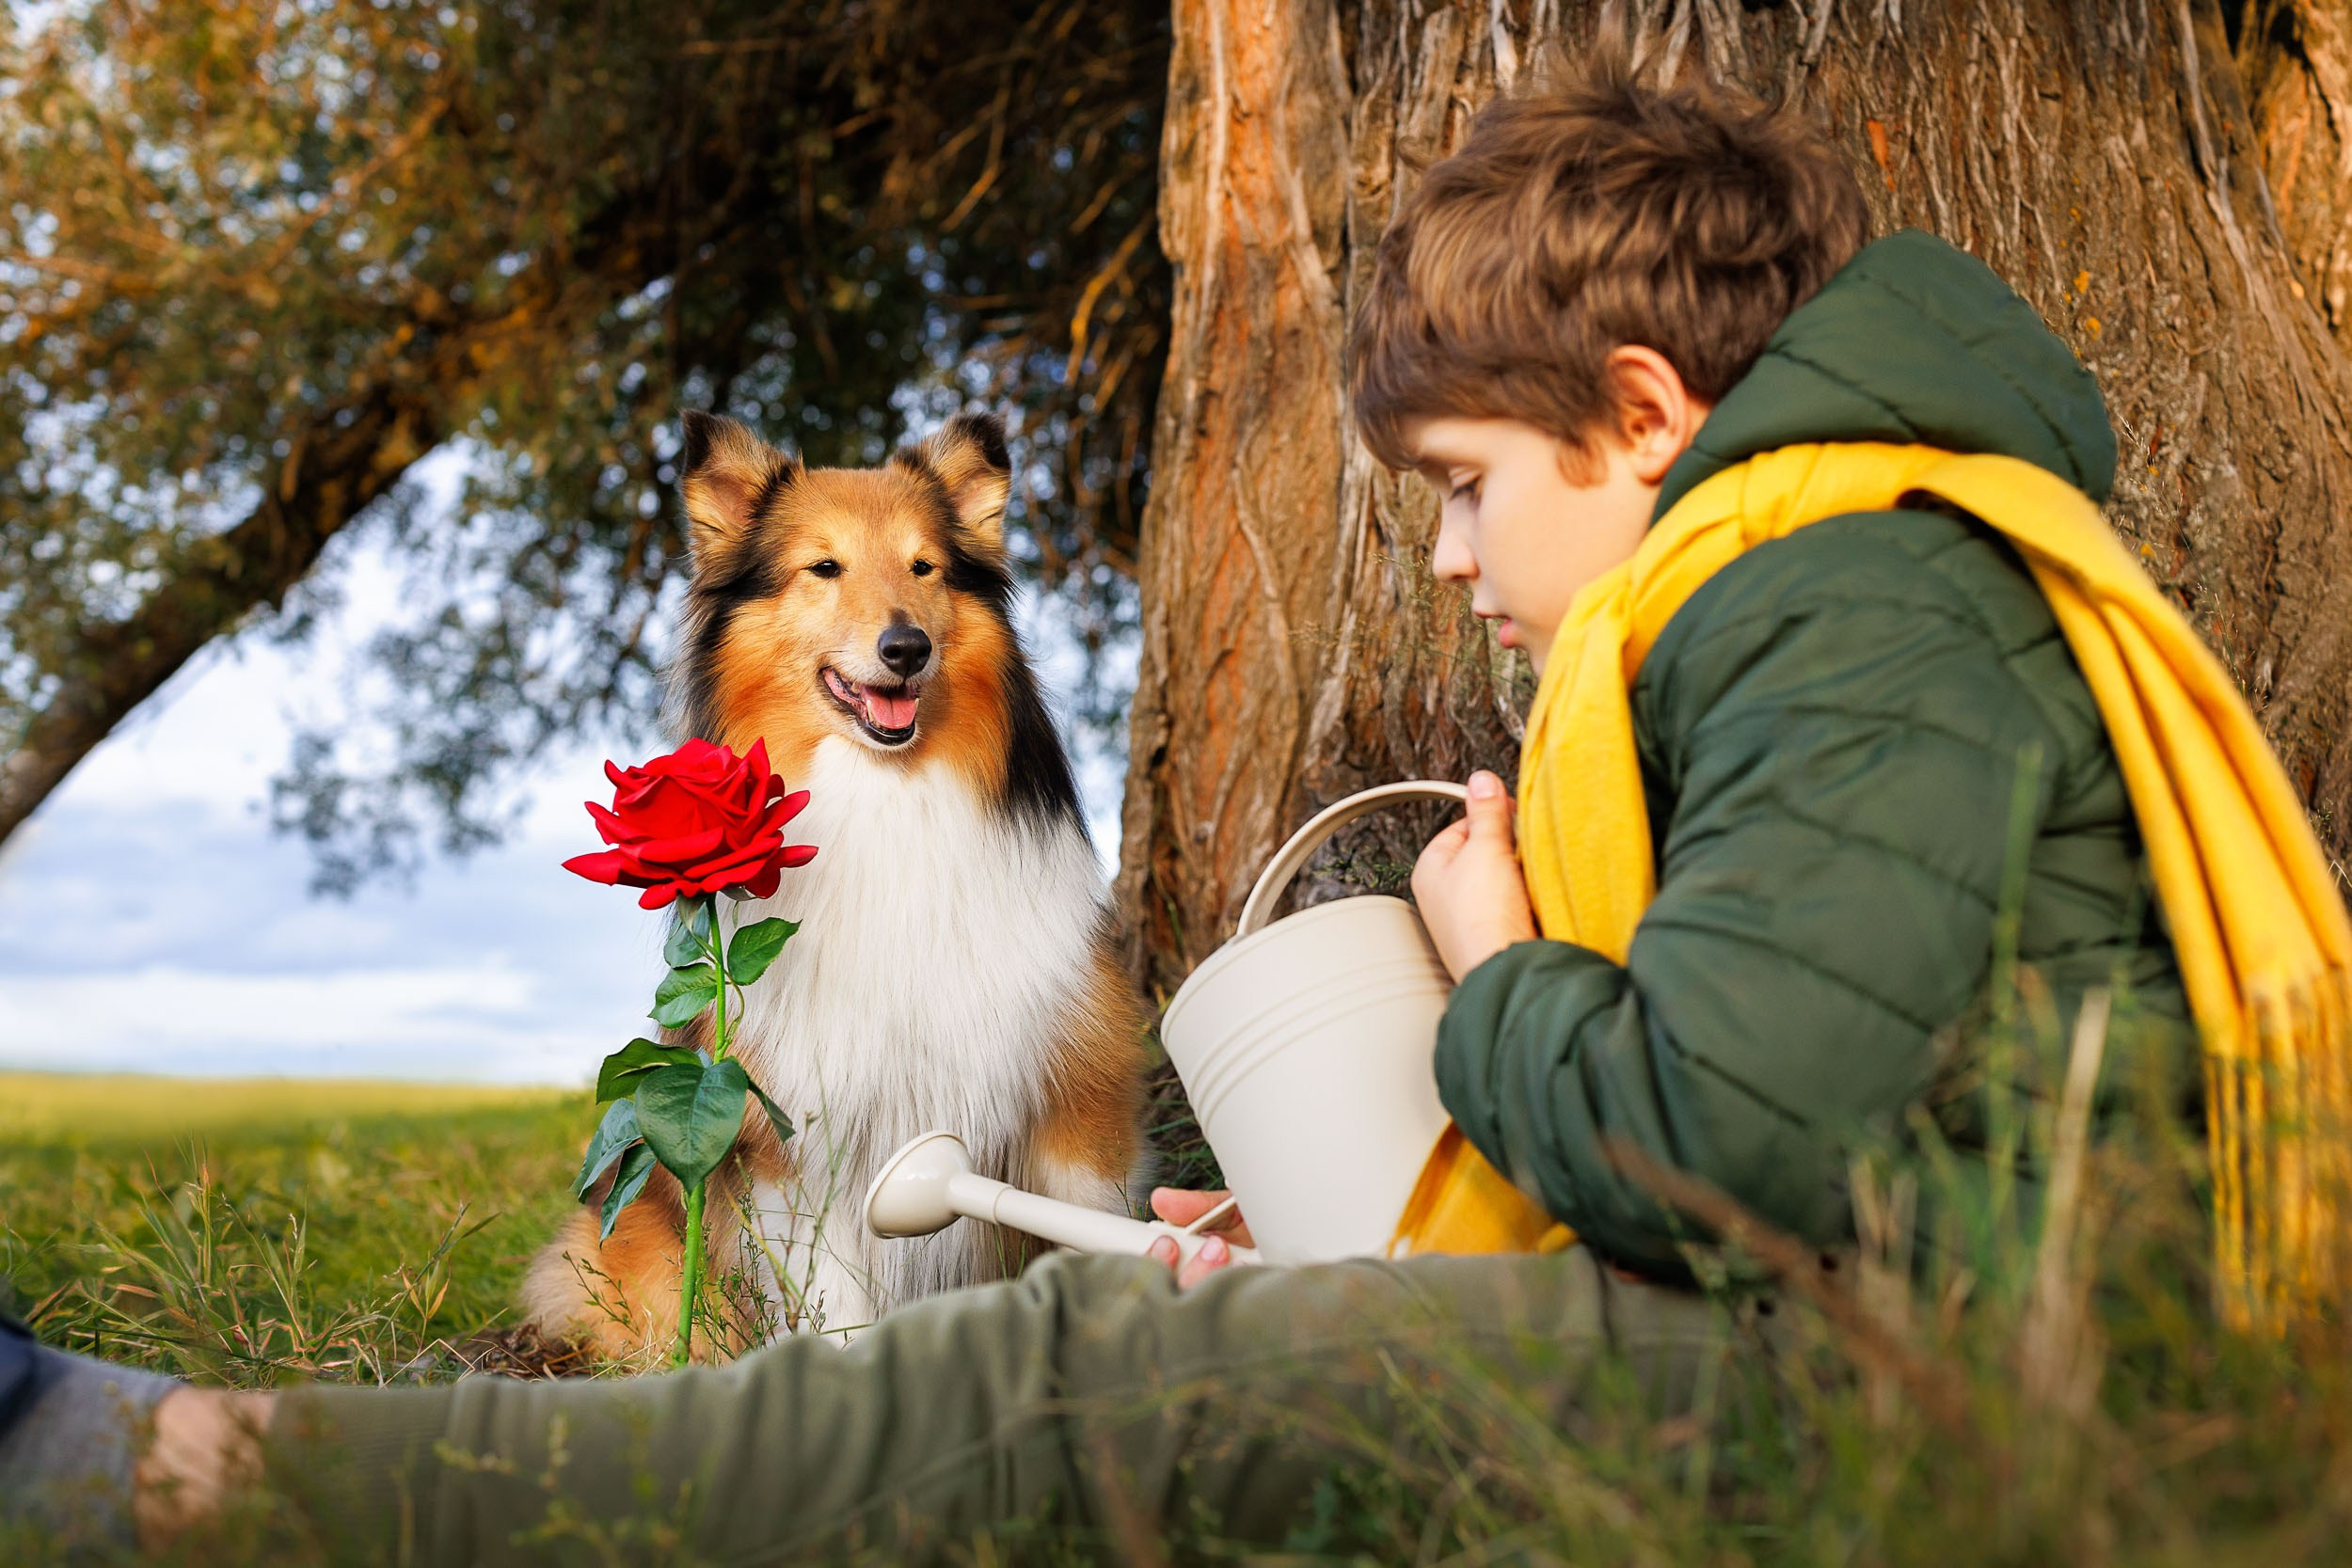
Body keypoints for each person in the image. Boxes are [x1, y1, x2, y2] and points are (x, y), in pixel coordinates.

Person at [8, 43, 2243, 1561]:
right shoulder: (1845, 589)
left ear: (1640, 413)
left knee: (1079, 1374)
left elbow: (1721, 1148)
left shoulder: (1841, 602)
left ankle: (242, 1485)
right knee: (1140, 1315)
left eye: (1463, 492)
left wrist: (1494, 981)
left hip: (1900, 1397)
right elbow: (1814, 1110)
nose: (1452, 559)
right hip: (1881, 1324)